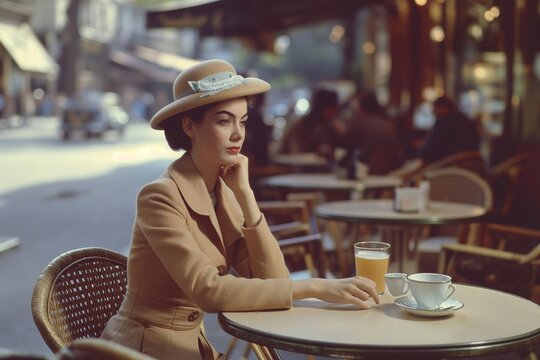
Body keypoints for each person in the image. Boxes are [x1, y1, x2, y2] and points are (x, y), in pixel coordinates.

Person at [100, 59, 379, 360]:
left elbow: (274, 279)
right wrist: (315, 287)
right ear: (190, 126)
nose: (238, 134)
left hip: (192, 347)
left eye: (243, 121)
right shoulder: (159, 196)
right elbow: (208, 291)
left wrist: (246, 196)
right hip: (144, 350)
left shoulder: (224, 189)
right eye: (224, 121)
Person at [277, 87, 341, 155]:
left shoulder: (327, 126)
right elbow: (297, 153)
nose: (334, 113)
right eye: (331, 109)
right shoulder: (302, 125)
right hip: (285, 164)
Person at [418, 95, 480, 164]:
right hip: (468, 166)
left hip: (447, 167)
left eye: (435, 109)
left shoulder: (443, 122)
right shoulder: (466, 121)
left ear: (442, 107)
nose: (434, 113)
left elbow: (426, 152)